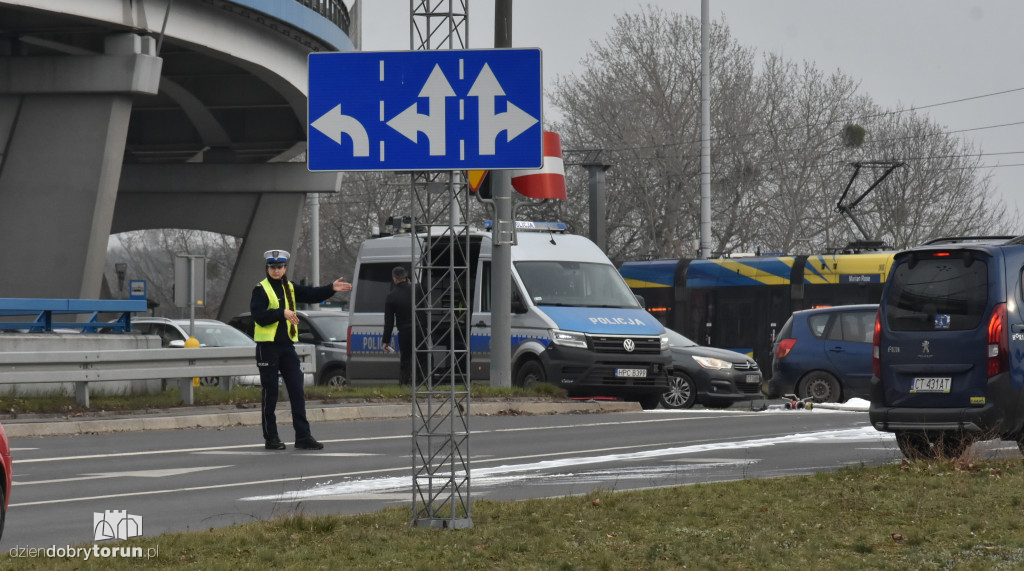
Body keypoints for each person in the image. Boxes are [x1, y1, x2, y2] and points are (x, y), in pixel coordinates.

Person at [251, 249, 352, 450]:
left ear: (285, 268)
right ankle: (271, 437)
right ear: (267, 268)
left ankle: (303, 436)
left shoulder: (289, 287)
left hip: (287, 347)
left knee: (297, 391)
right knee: (270, 393)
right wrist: (282, 312)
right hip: (267, 348)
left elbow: (312, 294)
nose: (276, 270)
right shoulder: (260, 289)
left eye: (280, 267)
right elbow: (258, 315)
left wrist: (330, 288)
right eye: (273, 267)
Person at [382, 266, 413, 386]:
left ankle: (404, 384)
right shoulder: (416, 290)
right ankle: (423, 384)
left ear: (394, 279)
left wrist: (386, 340)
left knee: (405, 360)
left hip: (405, 331)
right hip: (420, 330)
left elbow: (389, 322)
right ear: (406, 277)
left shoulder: (392, 296)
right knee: (422, 357)